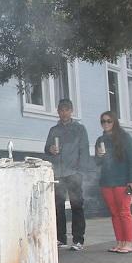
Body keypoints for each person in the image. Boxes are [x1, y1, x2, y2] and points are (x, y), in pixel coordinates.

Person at [44, 99, 90, 250]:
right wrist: (50, 149)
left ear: (71, 111)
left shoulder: (79, 129)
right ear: (58, 111)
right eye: (61, 110)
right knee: (58, 207)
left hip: (74, 173)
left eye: (66, 110)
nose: (64, 113)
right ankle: (60, 239)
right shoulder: (53, 130)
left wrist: (81, 171)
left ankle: (78, 240)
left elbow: (84, 150)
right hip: (57, 174)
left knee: (77, 206)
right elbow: (46, 149)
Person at [95, 111, 132, 254]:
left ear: (115, 122)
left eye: (109, 121)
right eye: (103, 121)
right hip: (106, 182)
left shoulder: (125, 138)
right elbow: (97, 162)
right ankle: (119, 242)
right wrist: (99, 156)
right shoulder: (100, 140)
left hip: (123, 182)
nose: (106, 124)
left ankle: (128, 243)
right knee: (114, 213)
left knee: (124, 212)